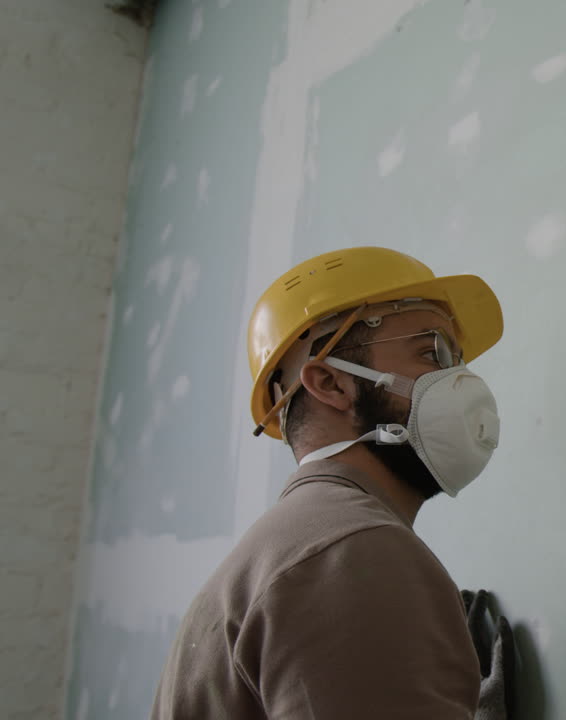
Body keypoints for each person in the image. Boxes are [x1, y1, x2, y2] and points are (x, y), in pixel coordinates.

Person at [151, 246, 505, 719]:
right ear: (331, 383)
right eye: (432, 353)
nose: (461, 381)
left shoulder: (288, 551)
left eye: (457, 359)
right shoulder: (350, 551)